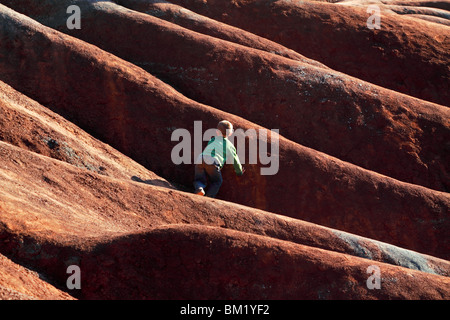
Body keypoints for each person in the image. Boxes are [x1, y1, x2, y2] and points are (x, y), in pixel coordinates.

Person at [193, 120, 244, 197]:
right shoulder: (229, 145)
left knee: (199, 179)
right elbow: (234, 159)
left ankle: (199, 188)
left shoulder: (213, 139)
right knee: (217, 181)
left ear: (217, 132)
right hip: (213, 161)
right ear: (230, 133)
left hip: (201, 158)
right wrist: (239, 171)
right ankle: (209, 197)